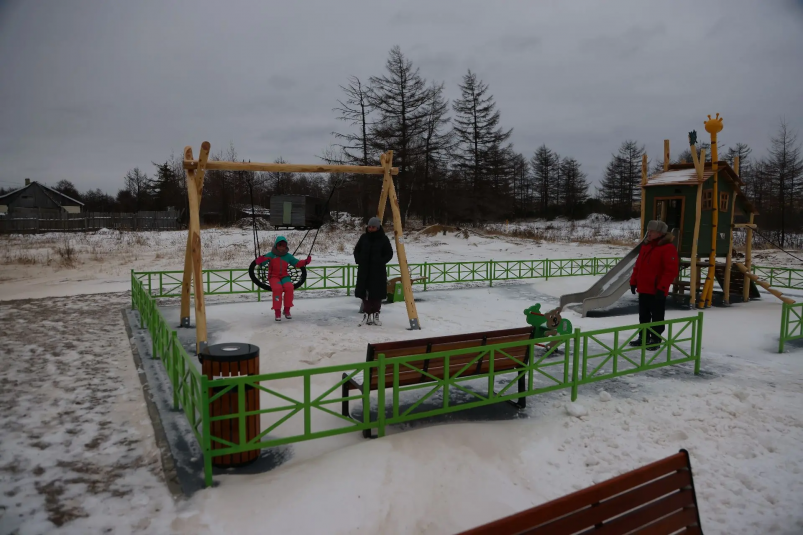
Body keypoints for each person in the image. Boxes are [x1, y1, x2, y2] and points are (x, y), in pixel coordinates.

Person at [629, 220, 678, 349]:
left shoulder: (668, 248)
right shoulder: (646, 246)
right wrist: (633, 282)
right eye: (648, 230)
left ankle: (655, 339)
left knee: (657, 316)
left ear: (660, 233)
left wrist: (662, 287)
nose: (648, 233)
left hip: (657, 290)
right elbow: (638, 266)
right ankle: (643, 337)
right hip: (644, 288)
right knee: (643, 315)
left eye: (652, 231)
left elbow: (670, 270)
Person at [255, 236, 311, 321]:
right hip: (273, 277)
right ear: (276, 245)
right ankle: (277, 311)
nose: (281, 248)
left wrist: (305, 262)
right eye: (279, 245)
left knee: (289, 288)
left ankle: (287, 309)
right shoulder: (271, 255)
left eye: (283, 246)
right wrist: (259, 261)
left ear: (286, 246)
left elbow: (297, 263)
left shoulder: (288, 256)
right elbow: (262, 263)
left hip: (284, 276)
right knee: (277, 289)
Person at [354, 217, 393, 326]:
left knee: (377, 294)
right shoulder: (363, 238)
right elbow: (357, 250)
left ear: (378, 227)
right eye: (370, 226)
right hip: (364, 270)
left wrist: (380, 261)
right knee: (365, 293)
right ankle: (366, 315)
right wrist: (359, 260)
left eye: (373, 227)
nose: (371, 229)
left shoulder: (383, 239)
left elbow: (389, 253)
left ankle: (376, 314)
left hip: (378, 271)